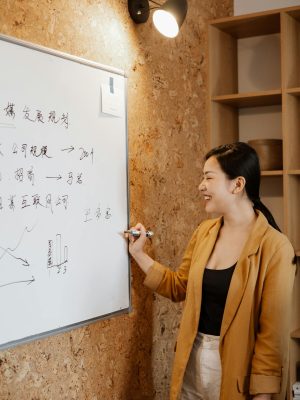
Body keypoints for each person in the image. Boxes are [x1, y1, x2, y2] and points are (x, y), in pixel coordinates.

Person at [125, 142, 296, 400]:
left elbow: (271, 337)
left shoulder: (275, 247)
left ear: (237, 185)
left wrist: (263, 395)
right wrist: (138, 253)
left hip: (238, 372)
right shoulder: (204, 232)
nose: (201, 186)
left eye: (208, 177)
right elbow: (179, 286)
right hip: (191, 364)